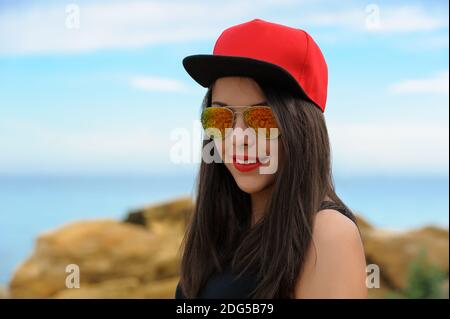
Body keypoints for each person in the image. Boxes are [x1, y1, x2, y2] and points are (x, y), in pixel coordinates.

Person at [175, 18, 367, 299]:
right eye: (220, 116)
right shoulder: (222, 227)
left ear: (302, 127)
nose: (238, 137)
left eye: (262, 118)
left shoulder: (326, 235)